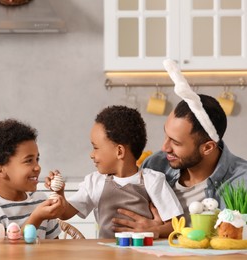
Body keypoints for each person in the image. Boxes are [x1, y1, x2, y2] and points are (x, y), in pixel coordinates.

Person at [111, 59, 247, 236]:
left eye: (176, 142)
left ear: (207, 148)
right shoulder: (155, 165)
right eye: (166, 135)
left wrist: (166, 230)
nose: (164, 147)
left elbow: (234, 239)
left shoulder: (241, 181)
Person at [45, 105, 183, 238]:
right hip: (107, 253)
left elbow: (177, 226)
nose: (91, 154)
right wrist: (59, 194)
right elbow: (64, 213)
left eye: (95, 147)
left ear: (119, 151)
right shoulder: (94, 182)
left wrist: (155, 230)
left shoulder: (153, 181)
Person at [0, 119, 63, 240]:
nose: (38, 167)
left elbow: (55, 250)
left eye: (37, 159)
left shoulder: (41, 200)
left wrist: (59, 194)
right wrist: (37, 217)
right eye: (29, 160)